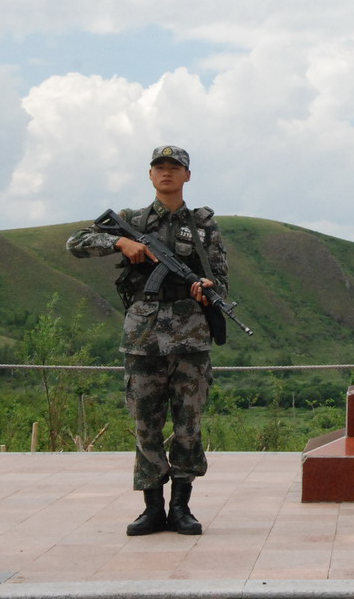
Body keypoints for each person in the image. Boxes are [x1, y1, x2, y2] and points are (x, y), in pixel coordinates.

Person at [66, 145, 229, 536]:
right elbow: (75, 243)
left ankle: (181, 507)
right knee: (146, 425)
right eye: (160, 167)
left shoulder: (205, 226)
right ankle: (152, 508)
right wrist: (119, 243)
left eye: (175, 167)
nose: (167, 173)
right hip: (143, 336)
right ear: (150, 175)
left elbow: (221, 278)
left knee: (188, 425)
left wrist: (207, 288)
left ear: (187, 175)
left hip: (190, 337)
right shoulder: (131, 221)